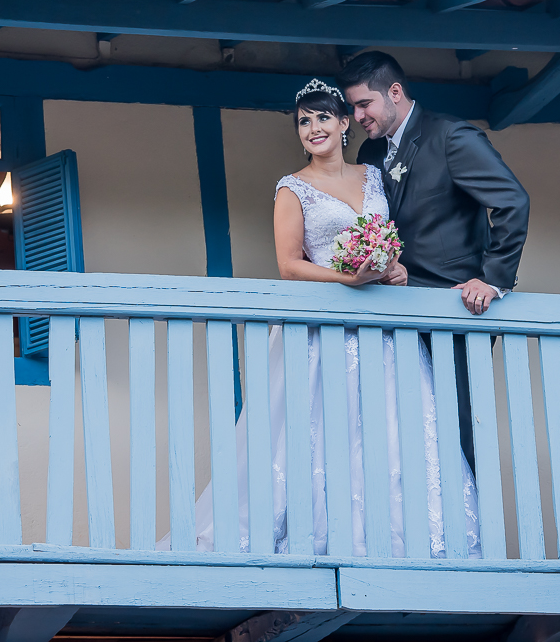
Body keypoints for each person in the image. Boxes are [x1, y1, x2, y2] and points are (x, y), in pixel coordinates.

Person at [171, 79, 481, 558]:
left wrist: (394, 268)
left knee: (398, 432)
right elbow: (289, 265)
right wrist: (348, 279)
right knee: (319, 435)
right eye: (303, 121)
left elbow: (399, 240)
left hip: (386, 333)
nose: (313, 128)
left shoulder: (376, 177)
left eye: (322, 118)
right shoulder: (293, 189)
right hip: (325, 332)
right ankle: (320, 538)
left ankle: (409, 541)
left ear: (343, 124)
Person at [341, 50, 531, 474]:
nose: (357, 116)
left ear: (394, 92)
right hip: (393, 314)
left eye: (363, 103)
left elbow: (512, 202)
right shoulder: (370, 157)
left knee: (456, 431)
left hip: (453, 312)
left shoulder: (452, 137)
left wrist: (493, 279)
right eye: (352, 107)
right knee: (402, 434)